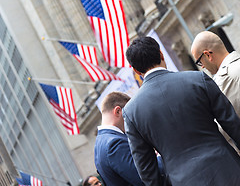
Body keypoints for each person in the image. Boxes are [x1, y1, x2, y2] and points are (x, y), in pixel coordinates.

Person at [123, 36, 240, 186]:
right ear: (161, 54)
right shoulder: (198, 79)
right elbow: (233, 124)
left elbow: (146, 169)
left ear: (135, 70)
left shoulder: (131, 112)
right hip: (228, 170)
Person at [94, 92, 166, 186]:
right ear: (118, 111)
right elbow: (145, 178)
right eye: (129, 113)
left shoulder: (100, 143)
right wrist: (160, 157)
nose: (131, 118)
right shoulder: (114, 143)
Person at [191, 31, 240, 114]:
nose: (202, 66)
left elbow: (225, 122)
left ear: (208, 55)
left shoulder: (224, 80)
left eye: (200, 62)